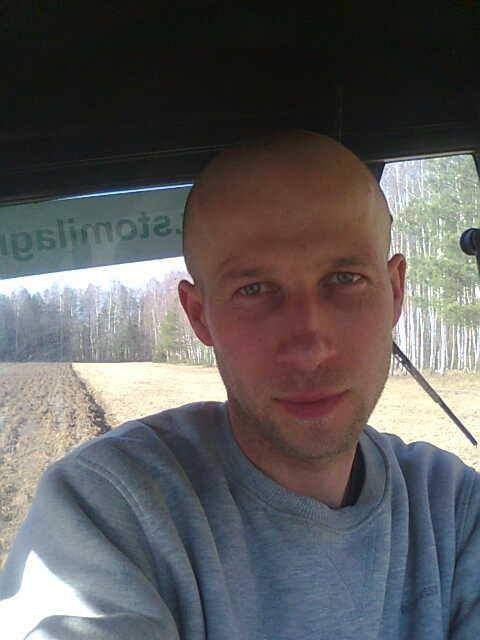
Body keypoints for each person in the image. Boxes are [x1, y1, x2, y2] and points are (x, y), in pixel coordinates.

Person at [0, 130, 479, 639]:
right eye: (254, 289)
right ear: (199, 315)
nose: (310, 347)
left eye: (344, 279)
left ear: (395, 291)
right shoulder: (112, 509)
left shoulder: (452, 510)